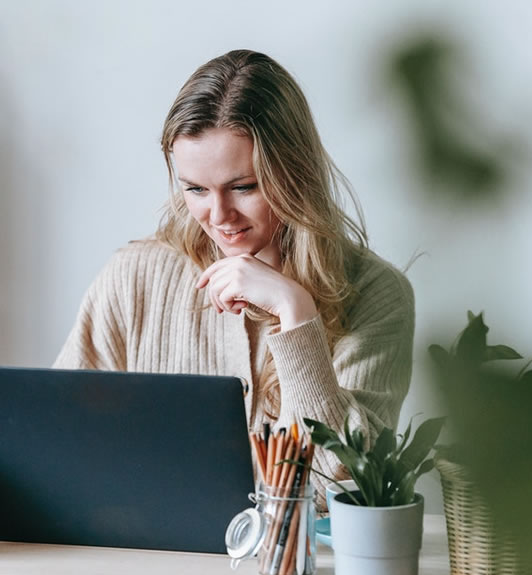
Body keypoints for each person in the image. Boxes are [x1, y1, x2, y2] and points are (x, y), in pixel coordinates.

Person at [54, 49, 414, 517]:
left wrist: (295, 312)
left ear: (294, 174)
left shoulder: (377, 295)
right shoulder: (134, 277)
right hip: (143, 564)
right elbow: (57, 435)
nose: (219, 217)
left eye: (243, 187)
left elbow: (334, 493)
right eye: (196, 190)